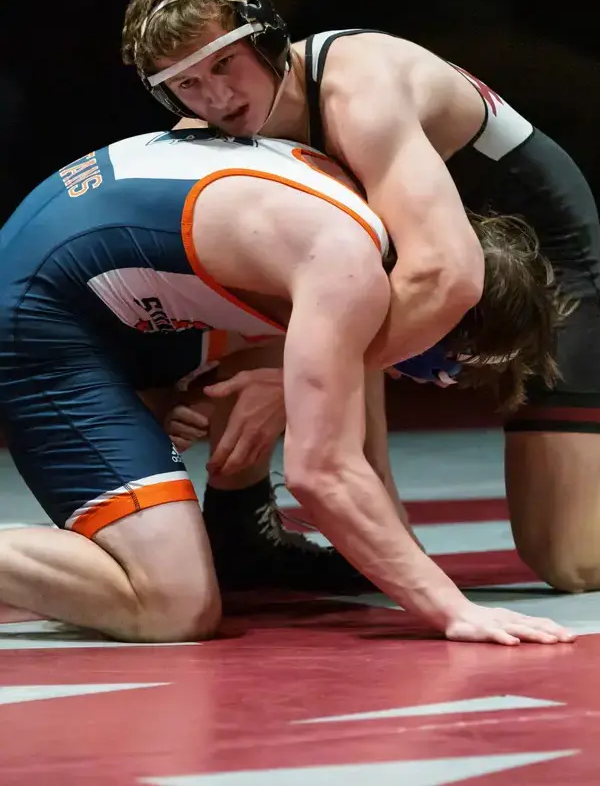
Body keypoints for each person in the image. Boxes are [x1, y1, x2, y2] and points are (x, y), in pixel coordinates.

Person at [122, 0, 600, 595]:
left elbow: (444, 275)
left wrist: (292, 385)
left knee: (571, 561)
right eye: (186, 84)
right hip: (399, 251)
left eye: (224, 64)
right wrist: (166, 391)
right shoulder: (201, 136)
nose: (217, 97)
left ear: (267, 35)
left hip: (533, 250)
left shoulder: (358, 91)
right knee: (273, 289)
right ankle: (248, 519)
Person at [0, 126, 572, 645]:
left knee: (302, 365)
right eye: (445, 367)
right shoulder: (347, 267)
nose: (429, 381)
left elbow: (362, 447)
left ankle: (224, 529)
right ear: (442, 307)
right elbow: (324, 472)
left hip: (95, 279)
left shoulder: (377, 223)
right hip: (43, 314)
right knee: (173, 606)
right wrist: (449, 606)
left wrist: (174, 399)